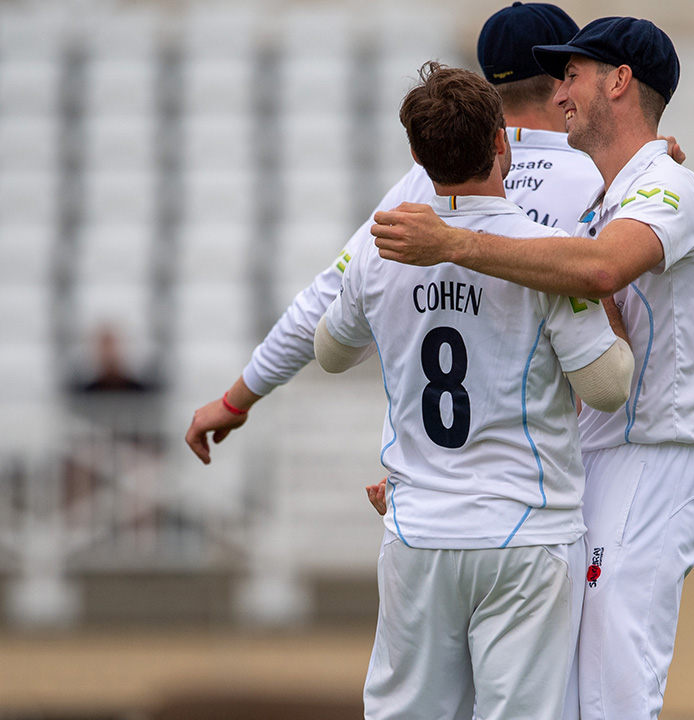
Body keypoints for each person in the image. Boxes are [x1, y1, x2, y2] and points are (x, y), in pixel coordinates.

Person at [368, 17, 694, 720]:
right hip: (591, 455)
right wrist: (424, 470)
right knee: (558, 696)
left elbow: (597, 271)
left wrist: (454, 242)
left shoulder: (668, 185)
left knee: (614, 691)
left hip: (656, 454)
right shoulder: (611, 190)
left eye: (572, 75)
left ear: (620, 81)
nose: (556, 93)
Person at [314, 61, 632, 720]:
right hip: (524, 531)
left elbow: (329, 352)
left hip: (418, 529)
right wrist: (610, 302)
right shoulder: (545, 252)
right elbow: (606, 388)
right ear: (500, 142)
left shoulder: (382, 247)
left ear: (416, 155)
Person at [183, 2, 600, 463]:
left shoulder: (425, 181)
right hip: (563, 471)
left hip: (432, 478)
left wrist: (236, 399)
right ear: (564, 79)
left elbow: (323, 302)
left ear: (488, 84)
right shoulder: (602, 177)